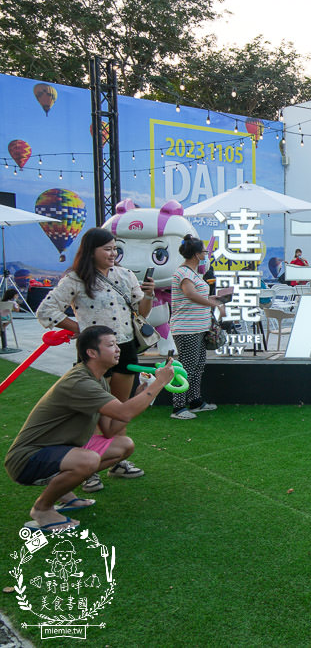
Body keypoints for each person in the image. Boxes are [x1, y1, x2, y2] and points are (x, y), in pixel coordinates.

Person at [4, 325, 175, 532]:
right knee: (89, 459)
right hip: (26, 460)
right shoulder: (79, 382)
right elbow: (124, 413)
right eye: (111, 345)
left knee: (123, 445)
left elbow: (111, 430)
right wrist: (159, 383)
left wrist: (146, 393)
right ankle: (42, 509)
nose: (118, 349)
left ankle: (62, 492)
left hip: (56, 449)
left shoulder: (98, 380)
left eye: (116, 344)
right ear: (92, 353)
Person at [36, 227, 156, 490]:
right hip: (92, 353)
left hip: (124, 347)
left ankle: (117, 461)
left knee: (120, 407)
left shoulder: (124, 275)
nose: (113, 254)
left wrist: (148, 294)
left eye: (115, 248)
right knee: (91, 412)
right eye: (107, 249)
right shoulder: (76, 280)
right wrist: (80, 329)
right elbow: (46, 311)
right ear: (91, 251)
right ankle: (88, 467)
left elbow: (142, 312)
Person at [169, 235, 226, 419]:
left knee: (198, 364)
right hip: (186, 327)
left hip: (199, 326)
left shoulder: (193, 273)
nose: (206, 254)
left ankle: (195, 400)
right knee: (186, 366)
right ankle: (178, 407)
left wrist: (215, 300)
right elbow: (191, 294)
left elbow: (196, 296)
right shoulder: (183, 273)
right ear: (196, 254)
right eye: (204, 251)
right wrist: (214, 304)